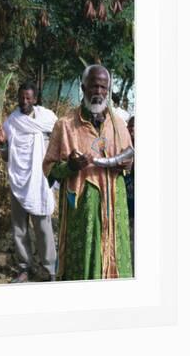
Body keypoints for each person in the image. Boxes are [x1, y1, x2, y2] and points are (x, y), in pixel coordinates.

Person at [43, 65, 133, 280]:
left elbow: (129, 162)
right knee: (82, 269)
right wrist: (70, 167)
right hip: (82, 213)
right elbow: (49, 169)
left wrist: (125, 165)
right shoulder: (65, 126)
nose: (99, 92)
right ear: (83, 87)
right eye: (94, 86)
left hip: (114, 208)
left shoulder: (118, 125)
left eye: (103, 87)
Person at [0, 81, 58, 283]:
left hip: (40, 181)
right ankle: (24, 267)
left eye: (28, 98)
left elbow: (57, 146)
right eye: (21, 97)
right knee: (19, 228)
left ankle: (50, 268)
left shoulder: (48, 119)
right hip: (18, 181)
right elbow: (6, 156)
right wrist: (3, 143)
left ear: (35, 99)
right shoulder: (11, 122)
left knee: (43, 227)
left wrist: (54, 172)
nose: (24, 101)